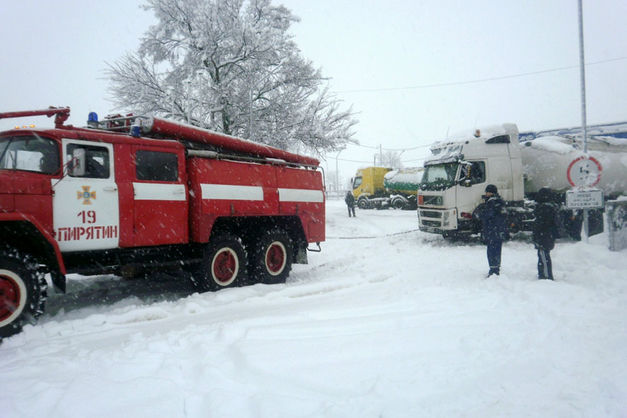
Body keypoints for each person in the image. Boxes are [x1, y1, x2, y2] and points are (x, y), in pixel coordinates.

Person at [479, 184, 509, 277]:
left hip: (492, 229)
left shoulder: (491, 203)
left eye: (487, 192)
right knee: (497, 249)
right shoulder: (501, 202)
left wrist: (480, 214)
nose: (486, 193)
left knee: (491, 250)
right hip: (499, 229)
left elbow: (487, 216)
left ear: (490, 192)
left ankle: (493, 270)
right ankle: (497, 267)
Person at [533, 187, 559, 280]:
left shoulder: (544, 208)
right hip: (547, 235)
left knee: (543, 255)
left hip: (543, 236)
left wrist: (537, 236)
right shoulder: (551, 207)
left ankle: (546, 275)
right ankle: (544, 274)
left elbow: (540, 224)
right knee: (544, 254)